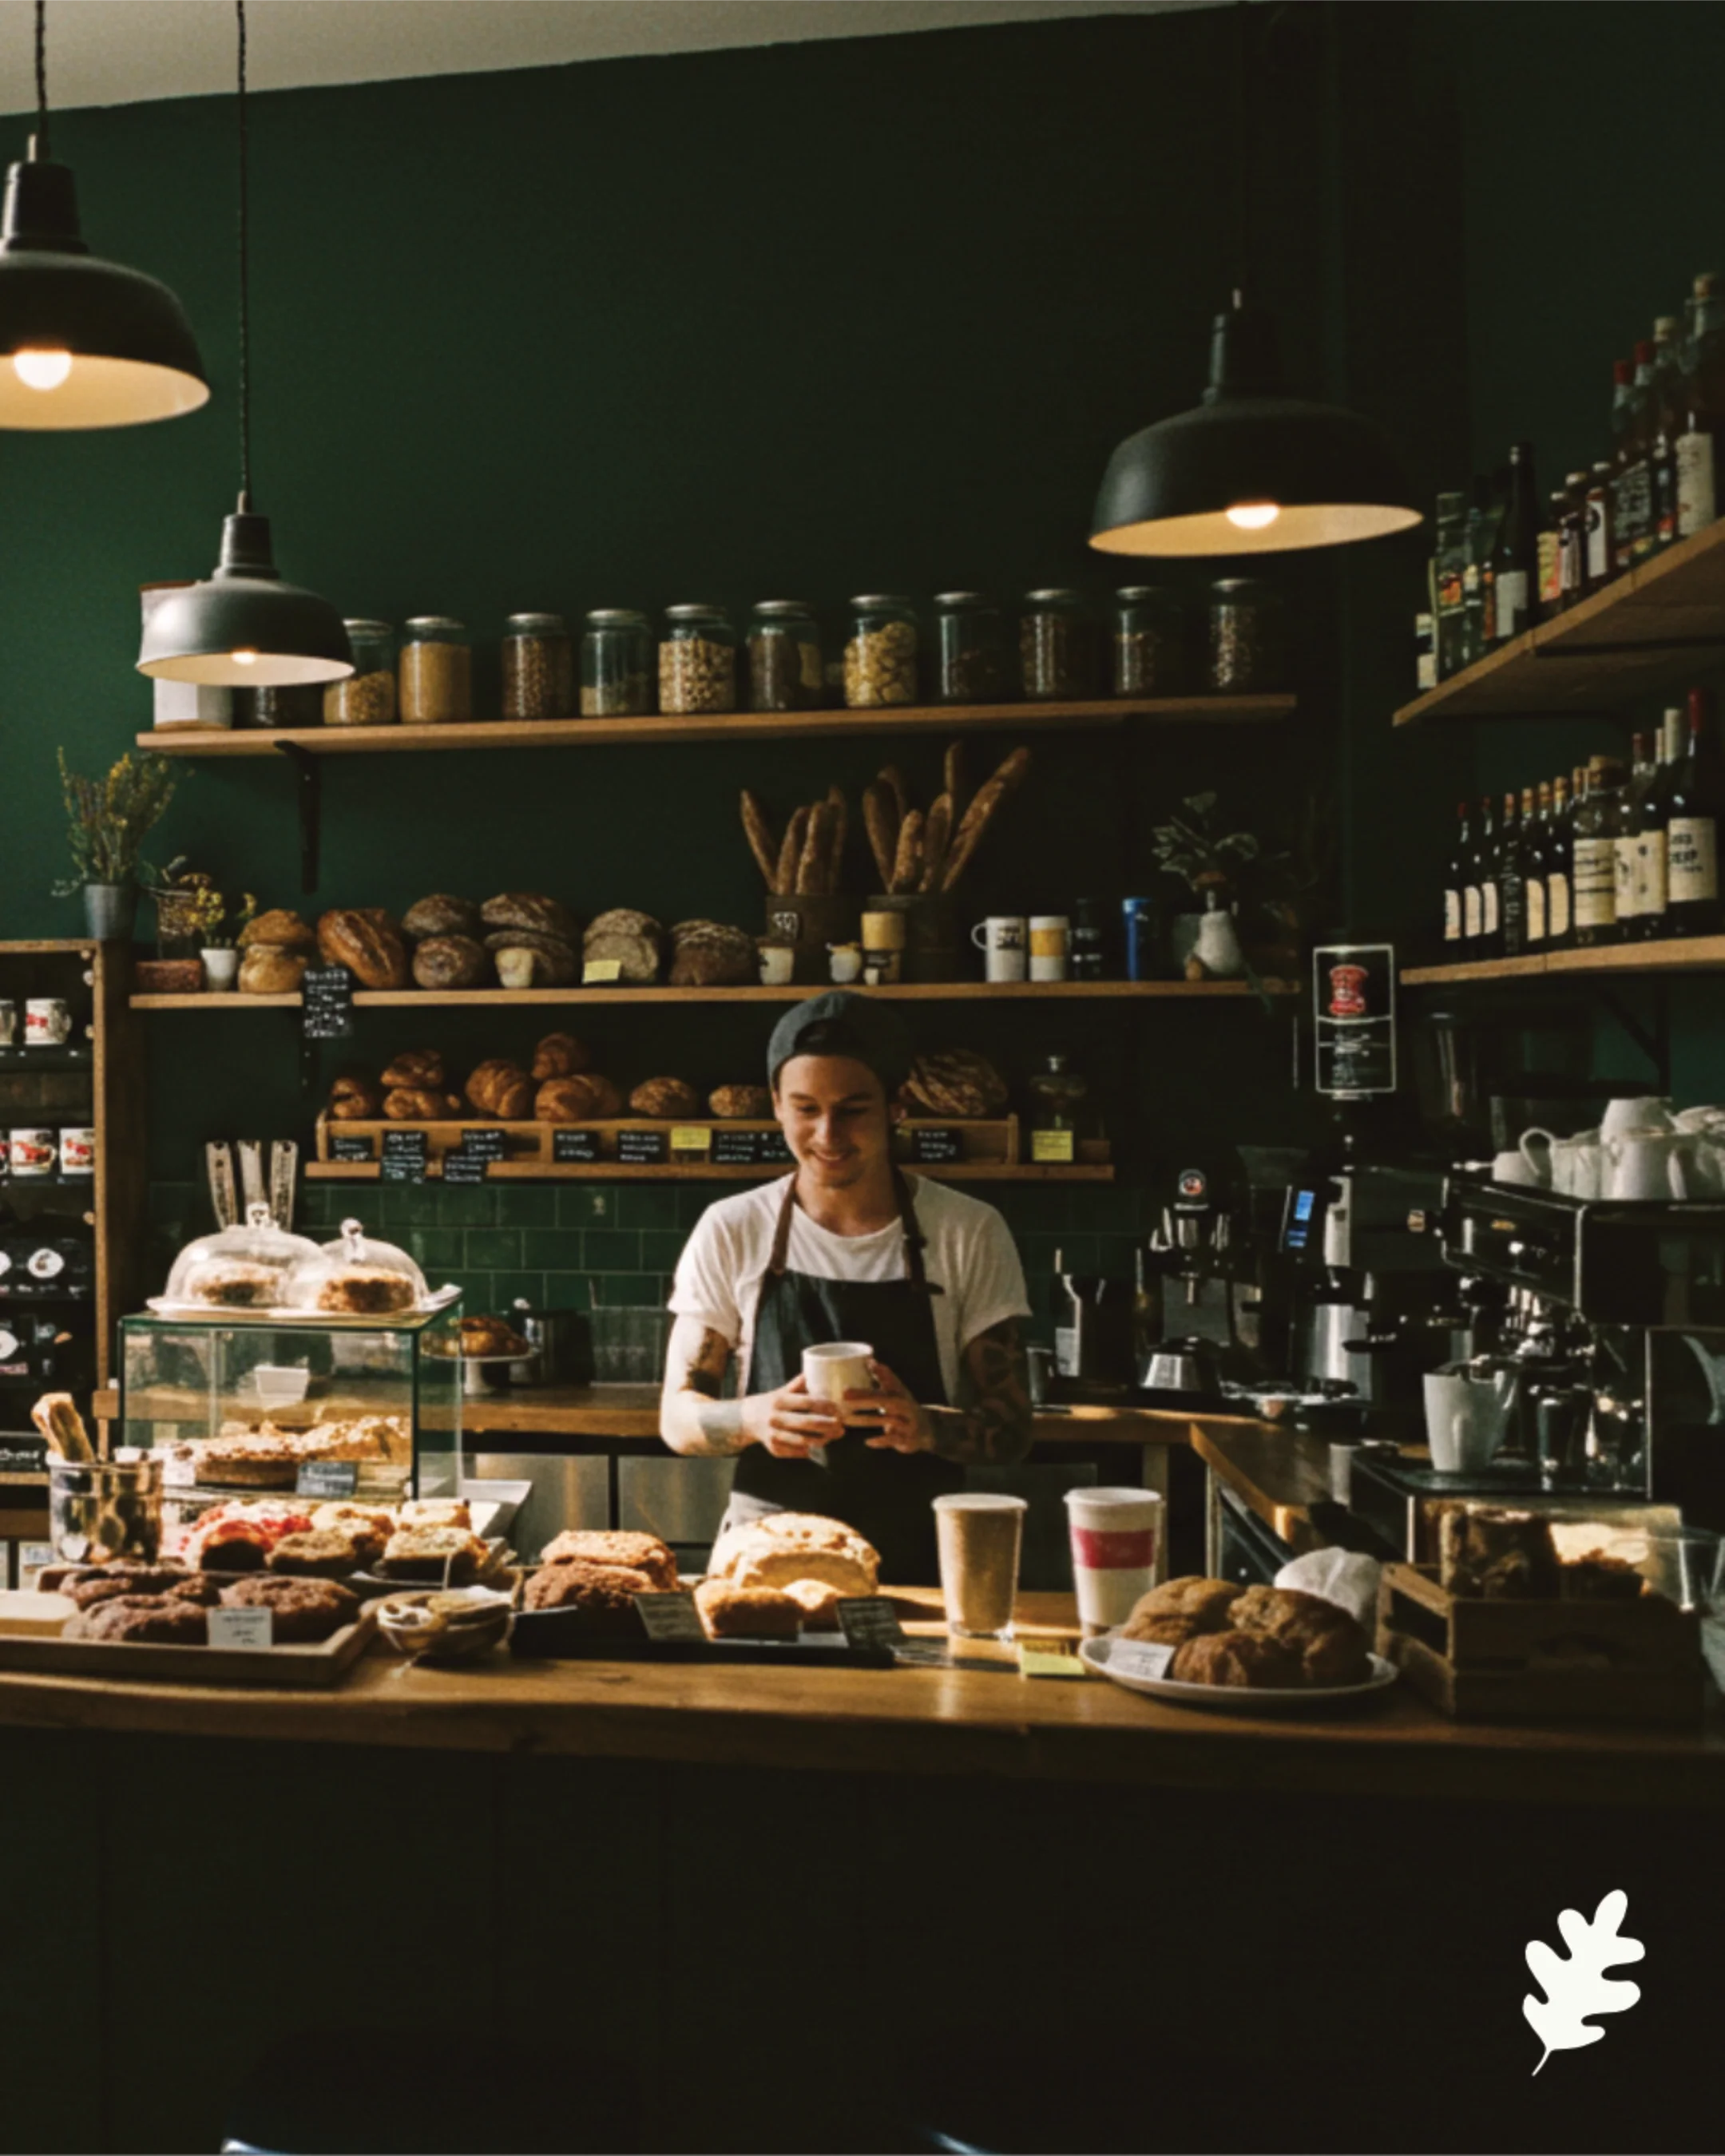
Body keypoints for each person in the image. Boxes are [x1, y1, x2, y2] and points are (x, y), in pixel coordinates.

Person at [659, 992, 1033, 1584]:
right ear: (777, 1106)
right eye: (805, 1108)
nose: (827, 1134)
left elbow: (1012, 1429)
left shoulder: (968, 1230)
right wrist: (756, 1417)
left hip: (920, 1560)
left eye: (853, 1109)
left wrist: (927, 1426)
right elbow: (677, 1419)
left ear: (898, 1105)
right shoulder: (733, 1228)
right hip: (766, 1558)